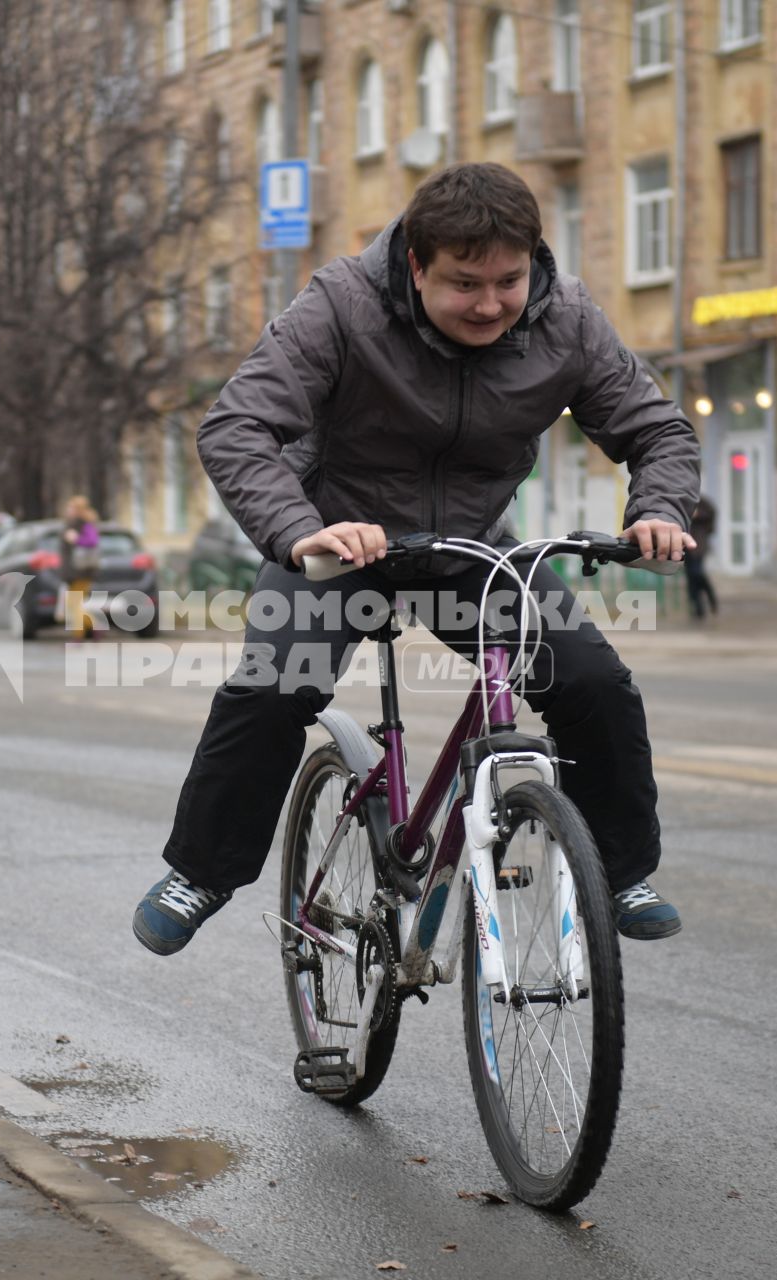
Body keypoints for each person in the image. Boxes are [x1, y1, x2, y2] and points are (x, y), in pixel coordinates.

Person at [132, 163, 699, 956]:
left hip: (469, 547)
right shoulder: (341, 304)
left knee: (593, 683)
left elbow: (657, 431)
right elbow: (237, 427)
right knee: (272, 690)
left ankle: (617, 870)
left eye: (508, 280)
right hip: (335, 541)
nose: (492, 304)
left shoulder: (564, 317)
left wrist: (660, 510)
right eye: (465, 283)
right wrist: (301, 530)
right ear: (415, 266)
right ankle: (201, 873)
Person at [59, 494, 101, 641]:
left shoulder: (84, 523)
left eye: (71, 508)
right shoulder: (72, 524)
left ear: (78, 510)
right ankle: (94, 628)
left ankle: (79, 635)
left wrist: (77, 539)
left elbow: (92, 541)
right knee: (76, 603)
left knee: (74, 603)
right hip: (75, 571)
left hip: (82, 571)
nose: (68, 510)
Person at [686, 494, 719, 621]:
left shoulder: (702, 502)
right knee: (691, 578)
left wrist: (697, 514)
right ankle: (698, 609)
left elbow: (711, 514)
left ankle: (711, 598)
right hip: (685, 548)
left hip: (698, 546)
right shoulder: (681, 500)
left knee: (697, 573)